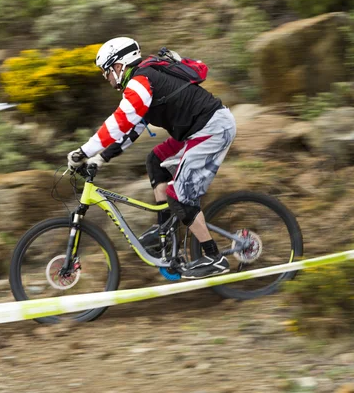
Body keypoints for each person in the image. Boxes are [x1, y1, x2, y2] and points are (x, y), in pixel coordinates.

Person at [67, 37, 236, 279]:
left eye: (106, 72)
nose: (107, 79)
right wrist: (101, 158)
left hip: (211, 128)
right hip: (195, 129)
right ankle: (164, 230)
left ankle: (214, 257)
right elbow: (131, 129)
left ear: (118, 66)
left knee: (179, 195)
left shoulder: (141, 80)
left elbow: (119, 121)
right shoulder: (142, 82)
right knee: (155, 160)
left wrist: (83, 151)